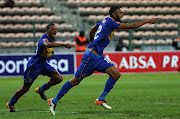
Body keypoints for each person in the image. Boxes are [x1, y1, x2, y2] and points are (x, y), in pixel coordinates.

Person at [48, 7, 159, 116]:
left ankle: (101, 99)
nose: (122, 15)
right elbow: (130, 26)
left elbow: (92, 30)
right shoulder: (111, 22)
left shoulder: (106, 20)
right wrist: (148, 21)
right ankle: (54, 100)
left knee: (116, 74)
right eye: (120, 13)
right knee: (75, 81)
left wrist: (92, 42)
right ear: (114, 14)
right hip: (90, 58)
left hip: (98, 57)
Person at [6, 23, 73, 112]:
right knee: (25, 88)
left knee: (58, 78)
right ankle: (10, 103)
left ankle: (41, 90)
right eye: (53, 29)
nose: (55, 30)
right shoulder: (44, 38)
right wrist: (63, 44)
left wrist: (50, 52)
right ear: (48, 30)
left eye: (56, 29)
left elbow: (47, 47)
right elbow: (45, 44)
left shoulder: (52, 38)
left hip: (43, 64)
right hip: (34, 66)